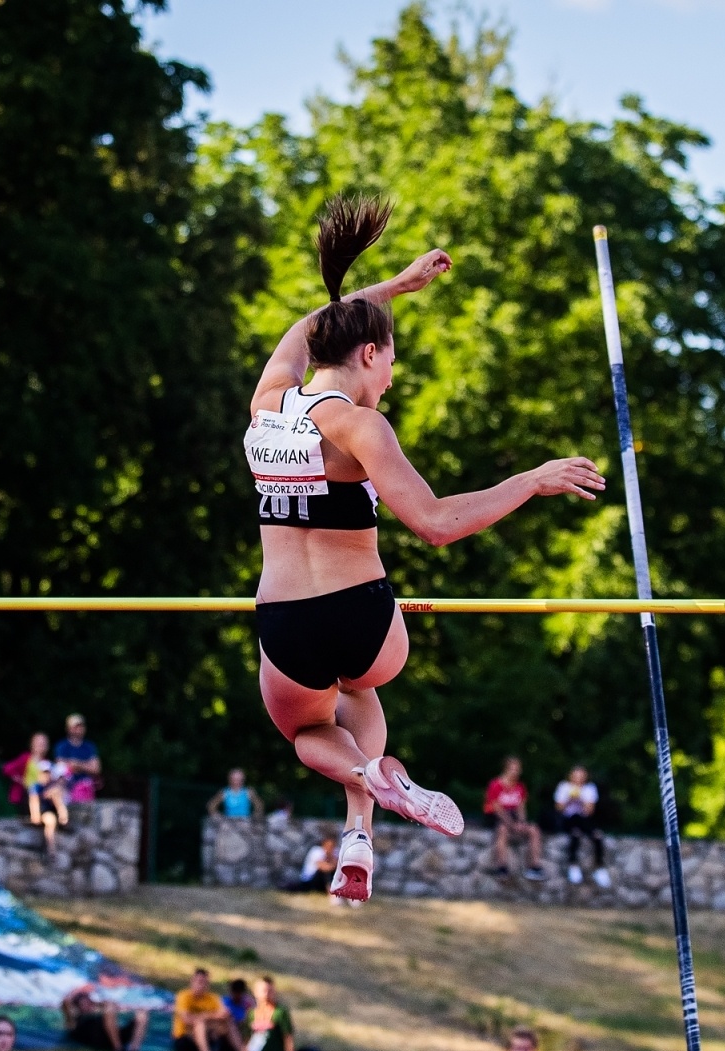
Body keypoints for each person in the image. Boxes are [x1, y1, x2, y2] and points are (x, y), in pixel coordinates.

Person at [244, 194, 602, 903]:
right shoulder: (360, 427)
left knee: (309, 730)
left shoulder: (267, 402)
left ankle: (364, 798)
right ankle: (364, 813)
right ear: (370, 353)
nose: (390, 380)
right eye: (390, 363)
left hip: (283, 620)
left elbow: (303, 330)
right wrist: (530, 480)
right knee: (362, 687)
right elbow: (435, 523)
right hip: (364, 617)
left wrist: (393, 289)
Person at [485, 757, 547, 880]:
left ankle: (534, 866)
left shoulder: (520, 787)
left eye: (517, 769)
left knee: (534, 830)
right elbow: (497, 808)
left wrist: (522, 822)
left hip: (512, 815)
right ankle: (501, 867)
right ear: (506, 769)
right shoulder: (496, 785)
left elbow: (521, 807)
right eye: (512, 769)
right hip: (496, 816)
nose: (515, 772)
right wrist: (512, 824)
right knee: (502, 830)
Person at [173, 968, 247, 1051]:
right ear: (192, 981)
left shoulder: (213, 998)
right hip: (184, 1037)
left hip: (209, 1035)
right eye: (199, 982)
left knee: (229, 1022)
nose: (202, 985)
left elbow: (225, 1014)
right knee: (200, 1023)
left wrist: (209, 1020)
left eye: (205, 982)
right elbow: (187, 1020)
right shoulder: (184, 996)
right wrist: (208, 1016)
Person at [554, 765, 610, 888]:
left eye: (581, 776)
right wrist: (570, 798)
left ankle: (599, 867)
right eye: (576, 776)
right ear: (571, 776)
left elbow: (589, 811)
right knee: (575, 833)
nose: (578, 779)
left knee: (597, 835)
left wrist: (580, 798)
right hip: (568, 819)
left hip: (583, 819)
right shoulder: (564, 787)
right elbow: (559, 808)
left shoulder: (590, 789)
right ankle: (573, 865)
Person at [62, 985, 148, 1051]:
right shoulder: (75, 1020)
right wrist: (78, 990)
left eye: (88, 1002)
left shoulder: (99, 1012)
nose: (87, 1005)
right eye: (83, 1004)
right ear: (78, 1007)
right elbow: (66, 1002)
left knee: (142, 1014)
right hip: (99, 1040)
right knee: (109, 1009)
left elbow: (110, 1005)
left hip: (112, 1036)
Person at [244, 977, 295, 1051]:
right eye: (264, 990)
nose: (267, 994)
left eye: (270, 990)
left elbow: (288, 1039)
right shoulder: (251, 1014)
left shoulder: (280, 1012)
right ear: (255, 992)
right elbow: (247, 1041)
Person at [54, 713, 102, 803]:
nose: (79, 729)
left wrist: (77, 765)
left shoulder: (89, 746)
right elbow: (60, 767)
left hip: (86, 787)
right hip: (67, 787)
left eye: (81, 726)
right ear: (68, 729)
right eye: (75, 727)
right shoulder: (62, 746)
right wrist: (85, 766)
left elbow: (96, 768)